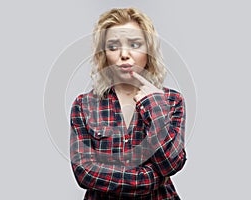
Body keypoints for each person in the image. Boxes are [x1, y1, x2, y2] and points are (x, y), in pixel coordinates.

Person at [70, 7, 187, 200]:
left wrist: (153, 105)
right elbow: (85, 172)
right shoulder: (84, 105)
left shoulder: (172, 101)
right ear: (104, 55)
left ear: (149, 50)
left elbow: (171, 164)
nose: (124, 54)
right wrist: (147, 180)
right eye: (114, 47)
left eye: (135, 44)